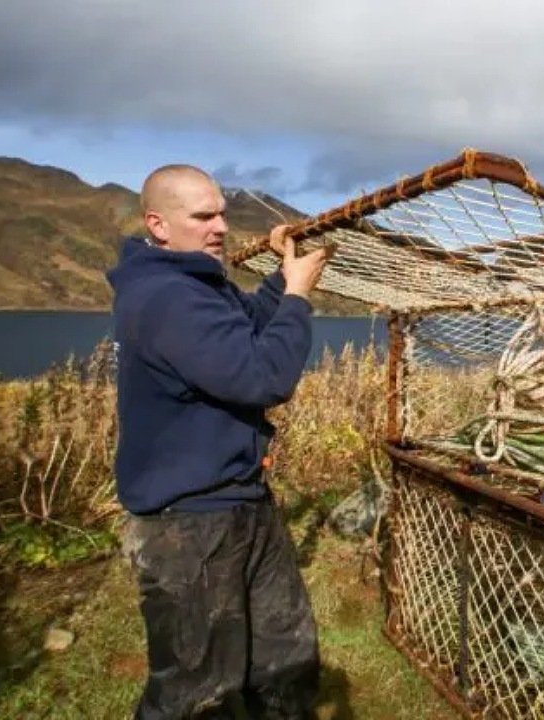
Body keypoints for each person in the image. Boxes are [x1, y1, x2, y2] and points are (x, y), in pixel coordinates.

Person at [106, 164, 329, 719]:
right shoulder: (166, 298)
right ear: (158, 224)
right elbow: (263, 377)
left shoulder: (195, 285)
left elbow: (247, 320)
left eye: (222, 212)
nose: (220, 226)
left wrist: (281, 279)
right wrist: (299, 298)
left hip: (241, 500)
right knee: (195, 690)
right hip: (188, 523)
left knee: (284, 658)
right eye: (203, 216)